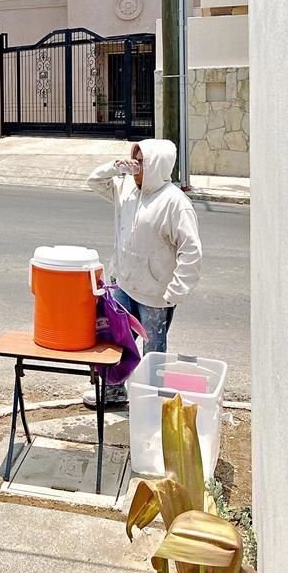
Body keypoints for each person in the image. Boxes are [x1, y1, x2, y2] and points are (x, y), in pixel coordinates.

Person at [83, 138, 202, 407]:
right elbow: (93, 181)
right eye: (133, 160)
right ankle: (114, 392)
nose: (135, 167)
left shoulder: (175, 203)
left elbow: (191, 251)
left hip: (156, 296)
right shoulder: (126, 189)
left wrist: (176, 291)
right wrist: (116, 168)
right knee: (118, 343)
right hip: (124, 285)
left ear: (158, 165)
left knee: (153, 352)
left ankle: (152, 403)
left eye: (141, 162)